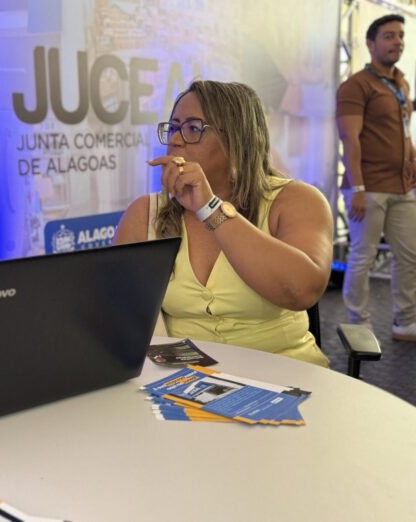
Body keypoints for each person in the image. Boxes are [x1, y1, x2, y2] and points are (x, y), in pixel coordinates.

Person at [114, 80, 332, 366]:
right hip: (185, 377)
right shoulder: (145, 213)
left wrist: (209, 208)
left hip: (285, 371)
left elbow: (302, 291)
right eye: (173, 127)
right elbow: (113, 310)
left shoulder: (295, 200)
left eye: (193, 128)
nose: (175, 139)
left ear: (236, 139)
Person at [336, 14, 416, 341]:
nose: (397, 42)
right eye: (389, 36)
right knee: (363, 257)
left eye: (400, 36)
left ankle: (405, 322)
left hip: (402, 187)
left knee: (409, 256)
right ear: (370, 44)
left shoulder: (401, 84)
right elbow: (349, 138)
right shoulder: (356, 86)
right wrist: (357, 187)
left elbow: (404, 133)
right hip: (367, 188)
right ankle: (359, 324)